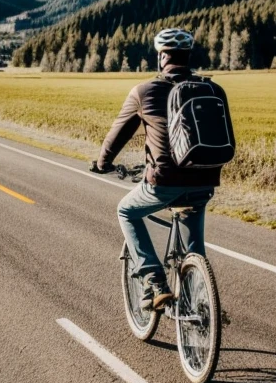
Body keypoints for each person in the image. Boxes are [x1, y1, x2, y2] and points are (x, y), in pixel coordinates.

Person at [90, 28, 233, 310]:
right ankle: (203, 307)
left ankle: (154, 279)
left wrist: (102, 163)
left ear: (161, 57)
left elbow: (117, 135)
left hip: (164, 182)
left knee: (126, 211)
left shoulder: (145, 91)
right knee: (194, 250)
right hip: (206, 179)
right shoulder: (213, 90)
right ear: (187, 56)